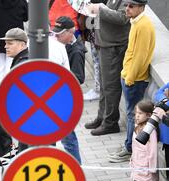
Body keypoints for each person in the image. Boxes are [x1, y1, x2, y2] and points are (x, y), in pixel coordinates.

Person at [107, 0, 155, 163]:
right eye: (127, 5)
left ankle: (129, 149)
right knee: (131, 114)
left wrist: (129, 78)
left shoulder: (143, 25)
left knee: (132, 115)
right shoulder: (137, 22)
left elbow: (140, 56)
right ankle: (128, 146)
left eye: (131, 6)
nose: (127, 9)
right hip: (131, 76)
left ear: (142, 7)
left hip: (134, 80)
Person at [85, 0, 130, 136]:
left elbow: (122, 18)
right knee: (105, 86)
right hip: (105, 43)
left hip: (114, 46)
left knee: (110, 86)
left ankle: (110, 123)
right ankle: (102, 117)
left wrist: (100, 9)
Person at [51, 16, 83, 164]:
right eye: (71, 32)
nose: (73, 35)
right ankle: (77, 166)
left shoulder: (69, 49)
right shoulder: (58, 48)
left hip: (57, 99)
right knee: (68, 137)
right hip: (58, 100)